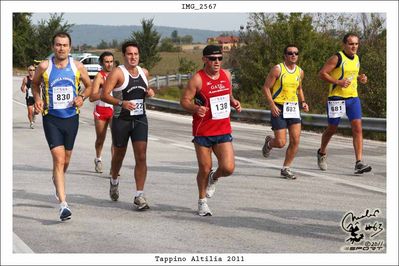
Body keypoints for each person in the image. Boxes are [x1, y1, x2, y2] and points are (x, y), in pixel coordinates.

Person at [32, 32, 92, 221]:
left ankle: (57, 180)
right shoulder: (44, 66)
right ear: (53, 47)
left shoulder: (78, 67)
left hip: (71, 118)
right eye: (58, 45)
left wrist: (81, 97)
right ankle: (63, 205)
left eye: (65, 45)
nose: (61, 48)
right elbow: (34, 84)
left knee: (65, 161)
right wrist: (38, 98)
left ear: (70, 47)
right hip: (51, 118)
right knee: (58, 160)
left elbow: (90, 86)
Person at [180, 45, 242, 216]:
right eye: (213, 58)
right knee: (204, 167)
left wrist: (234, 102)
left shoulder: (226, 75)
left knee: (228, 168)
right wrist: (195, 108)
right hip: (203, 131)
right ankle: (202, 202)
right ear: (204, 60)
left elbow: (228, 96)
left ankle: (214, 178)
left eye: (220, 58)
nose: (217, 62)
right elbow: (184, 100)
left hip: (222, 129)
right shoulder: (197, 79)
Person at [101, 41, 155, 210]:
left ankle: (139, 195)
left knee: (141, 156)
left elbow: (147, 90)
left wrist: (150, 92)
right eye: (130, 54)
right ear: (124, 56)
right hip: (121, 120)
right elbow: (104, 95)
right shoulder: (118, 73)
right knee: (119, 155)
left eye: (136, 54)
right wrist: (121, 103)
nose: (133, 57)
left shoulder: (144, 72)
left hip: (140, 118)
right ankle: (114, 180)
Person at [317, 33, 372, 175]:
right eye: (351, 44)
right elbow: (322, 74)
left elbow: (353, 75)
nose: (354, 46)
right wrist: (338, 82)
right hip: (337, 98)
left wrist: (361, 78)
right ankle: (322, 152)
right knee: (332, 128)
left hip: (353, 98)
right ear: (344, 45)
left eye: (356, 44)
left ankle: (359, 162)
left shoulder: (357, 58)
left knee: (358, 128)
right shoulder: (337, 58)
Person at [261, 44, 309, 179]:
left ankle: (286, 168)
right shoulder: (278, 69)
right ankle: (270, 142)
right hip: (279, 107)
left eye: (296, 53)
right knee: (281, 142)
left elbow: (299, 89)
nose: (293, 55)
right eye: (290, 53)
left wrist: (303, 102)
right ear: (285, 55)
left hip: (293, 108)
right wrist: (272, 105)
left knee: (295, 140)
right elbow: (265, 88)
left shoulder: (300, 71)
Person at [89, 51, 115, 174]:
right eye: (106, 62)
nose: (109, 64)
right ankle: (98, 158)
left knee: (117, 139)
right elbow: (92, 97)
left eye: (111, 62)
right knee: (100, 138)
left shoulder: (117, 74)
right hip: (101, 110)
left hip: (115, 110)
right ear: (101, 63)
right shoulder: (99, 76)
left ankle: (114, 166)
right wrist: (103, 93)